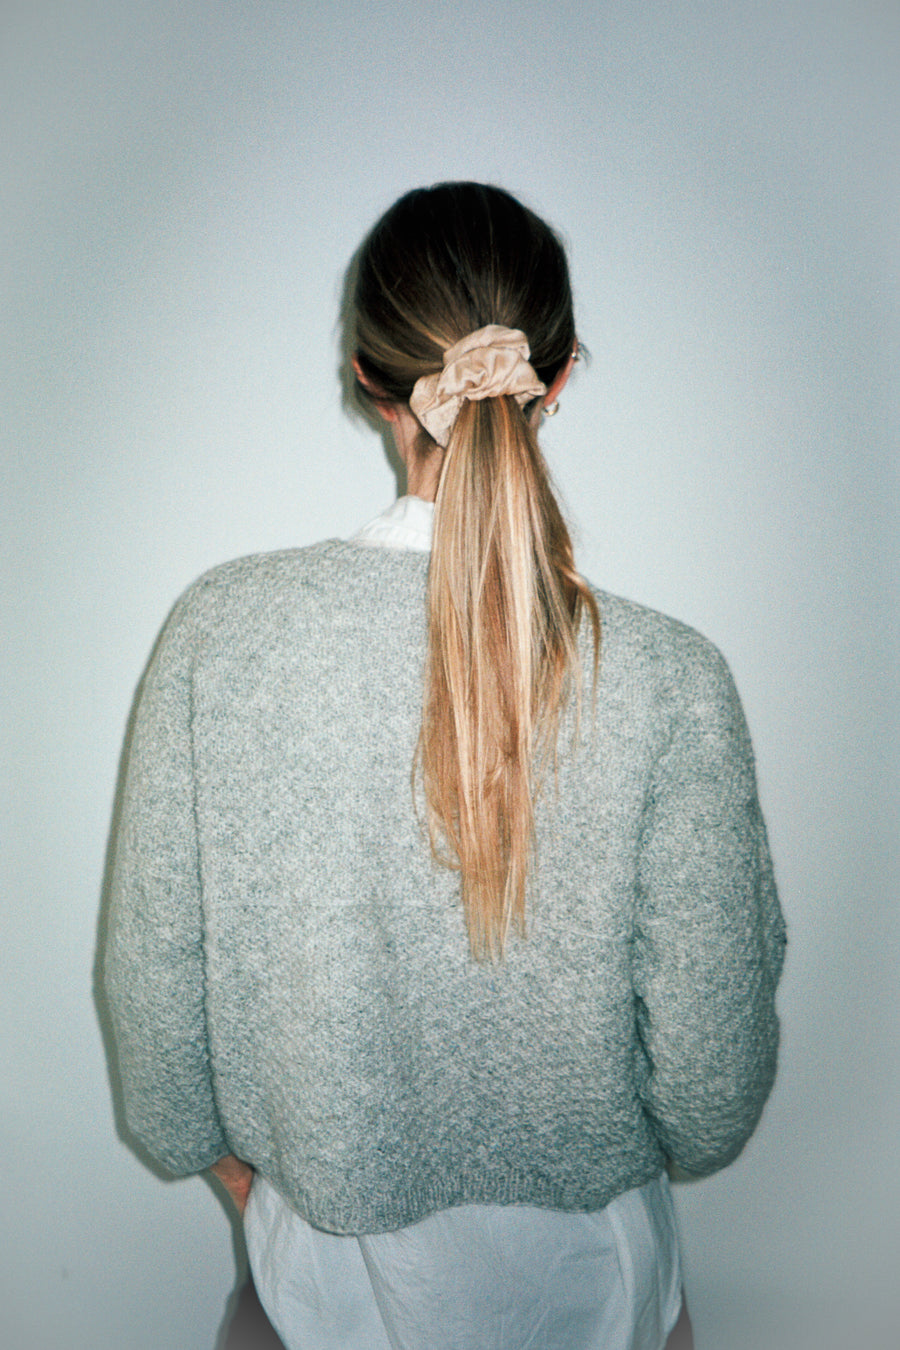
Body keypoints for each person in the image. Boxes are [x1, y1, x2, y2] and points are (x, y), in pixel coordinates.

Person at [104, 182, 786, 1350]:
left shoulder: (221, 633)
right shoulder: (672, 679)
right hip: (598, 1289)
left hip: (325, 1295)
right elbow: (712, 1096)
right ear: (556, 380)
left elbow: (157, 1017)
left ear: (368, 380)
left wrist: (250, 1186)